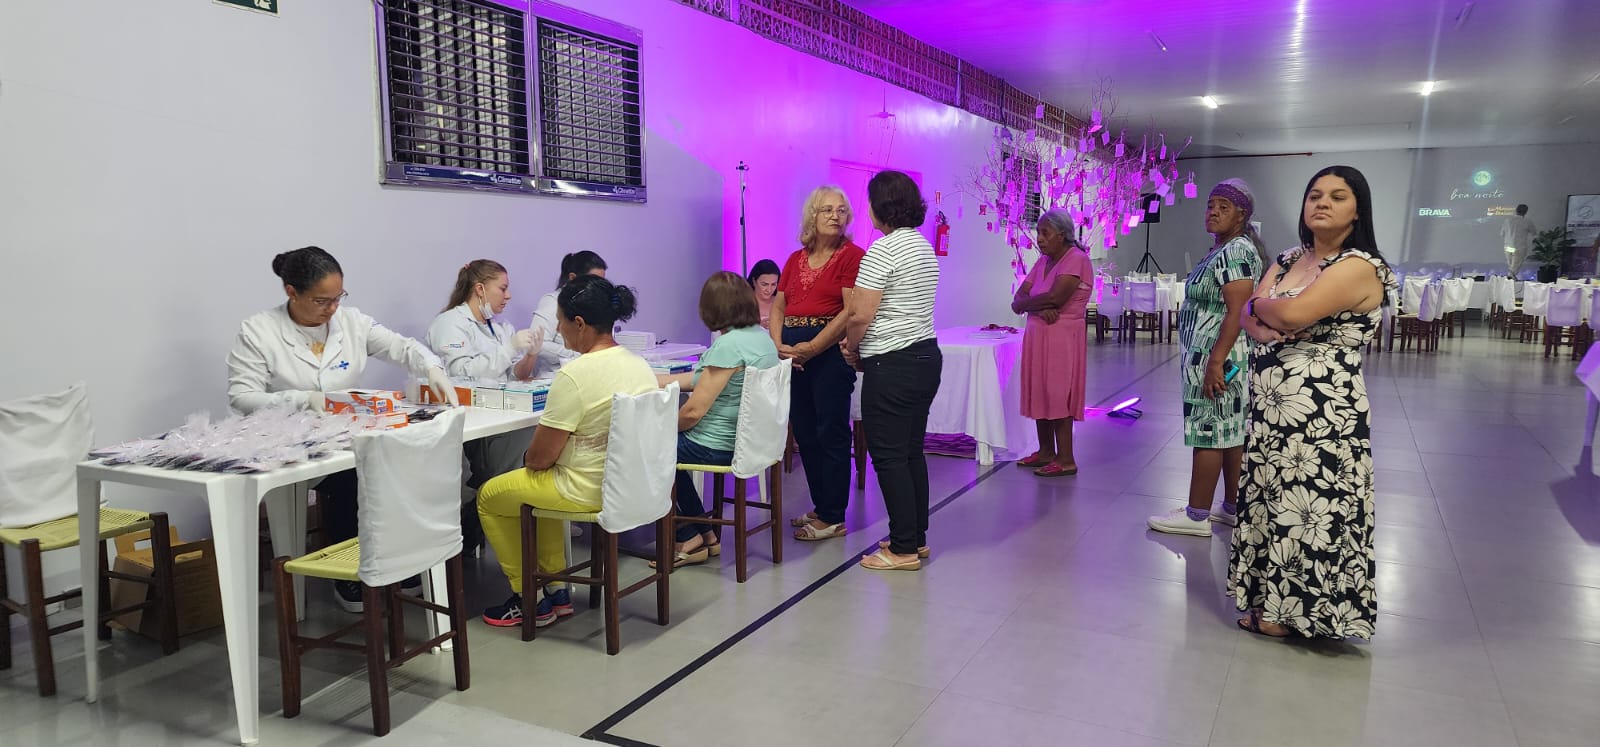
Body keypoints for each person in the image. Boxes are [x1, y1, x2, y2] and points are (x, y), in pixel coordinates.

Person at [227, 246, 455, 612]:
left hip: (346, 433)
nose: (332, 308)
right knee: (348, 479)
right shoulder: (259, 331)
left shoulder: (352, 322)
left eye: (338, 298)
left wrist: (432, 368)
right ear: (291, 292)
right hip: (289, 441)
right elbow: (242, 397)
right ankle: (348, 575)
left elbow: (401, 347)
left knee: (392, 465)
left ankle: (392, 560)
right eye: (322, 301)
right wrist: (305, 400)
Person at [1228, 165, 1395, 639]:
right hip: (1270, 407)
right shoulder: (1288, 258)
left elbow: (1293, 313)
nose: (1322, 203)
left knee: (1309, 505)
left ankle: (1296, 614)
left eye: (1338, 197)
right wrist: (1262, 313)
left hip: (1322, 411)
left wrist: (1264, 308)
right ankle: (1270, 601)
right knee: (1271, 500)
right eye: (1315, 195)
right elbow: (1248, 316)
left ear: (1357, 210)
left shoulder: (1359, 266)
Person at [476, 275, 656, 628]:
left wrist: (534, 459)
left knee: (490, 496)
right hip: (629, 484)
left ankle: (528, 596)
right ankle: (556, 590)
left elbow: (539, 459)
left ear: (579, 324)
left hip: (585, 488)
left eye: (560, 322)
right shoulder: (639, 365)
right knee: (536, 489)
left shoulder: (575, 375)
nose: (557, 330)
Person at [1148, 179, 1266, 536]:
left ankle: (1197, 515)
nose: (1213, 212)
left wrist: (1215, 363)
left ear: (1241, 215)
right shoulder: (1225, 248)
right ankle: (1231, 506)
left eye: (1223, 207)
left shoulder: (1236, 251)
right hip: (1214, 354)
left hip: (1219, 357)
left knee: (1208, 429)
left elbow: (1236, 311)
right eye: (1210, 205)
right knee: (1228, 432)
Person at [843, 170, 941, 571]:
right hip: (925, 357)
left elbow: (860, 314)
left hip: (892, 364)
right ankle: (915, 538)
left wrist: (852, 346)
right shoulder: (922, 246)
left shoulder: (881, 251)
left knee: (888, 457)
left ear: (878, 207)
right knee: (911, 451)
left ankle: (902, 549)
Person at [651, 272, 779, 568]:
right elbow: (702, 378)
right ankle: (705, 533)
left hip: (717, 444)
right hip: (750, 441)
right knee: (663, 446)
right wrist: (651, 379)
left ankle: (688, 534)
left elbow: (693, 412)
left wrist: (659, 430)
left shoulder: (728, 345)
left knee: (649, 449)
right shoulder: (760, 339)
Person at [426, 259, 543, 555]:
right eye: (502, 288)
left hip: (499, 416)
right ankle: (485, 508)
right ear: (480, 289)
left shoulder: (499, 327)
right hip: (470, 422)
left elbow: (515, 375)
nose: (508, 295)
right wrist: (510, 347)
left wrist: (530, 355)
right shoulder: (449, 324)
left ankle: (497, 507)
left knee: (538, 430)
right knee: (527, 444)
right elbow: (462, 374)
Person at [775, 186, 866, 542]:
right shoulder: (794, 259)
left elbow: (850, 311)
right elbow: (779, 307)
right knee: (806, 432)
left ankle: (833, 515)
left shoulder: (851, 256)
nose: (835, 216)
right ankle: (821, 504)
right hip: (793, 355)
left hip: (827, 354)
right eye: (827, 210)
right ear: (812, 215)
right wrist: (779, 345)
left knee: (831, 432)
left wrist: (813, 347)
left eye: (842, 210)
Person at [1011, 209, 1094, 478]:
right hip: (1038, 335)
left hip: (1062, 337)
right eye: (1038, 232)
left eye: (1045, 233)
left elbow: (1056, 298)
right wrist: (1034, 306)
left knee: (1059, 393)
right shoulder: (1043, 262)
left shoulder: (1076, 259)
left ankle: (1066, 458)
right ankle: (1046, 451)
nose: (1040, 239)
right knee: (1041, 390)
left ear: (1062, 235)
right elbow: (1019, 298)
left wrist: (1028, 305)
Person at [530, 251, 607, 378]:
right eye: (593, 282)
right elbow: (539, 344)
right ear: (572, 278)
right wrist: (576, 354)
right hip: (555, 377)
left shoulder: (593, 305)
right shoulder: (553, 302)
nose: (599, 289)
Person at [1502, 204, 1537, 277]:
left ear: (1516, 210)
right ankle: (1509, 278)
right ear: (1526, 212)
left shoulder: (1507, 220)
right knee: (1515, 266)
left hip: (1508, 246)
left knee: (1511, 265)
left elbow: (1502, 233)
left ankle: (1510, 278)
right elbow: (1534, 232)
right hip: (1519, 247)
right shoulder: (1527, 221)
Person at [748, 258, 782, 328]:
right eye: (764, 284)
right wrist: (756, 327)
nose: (769, 290)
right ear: (754, 281)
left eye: (773, 284)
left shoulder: (782, 302)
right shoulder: (743, 303)